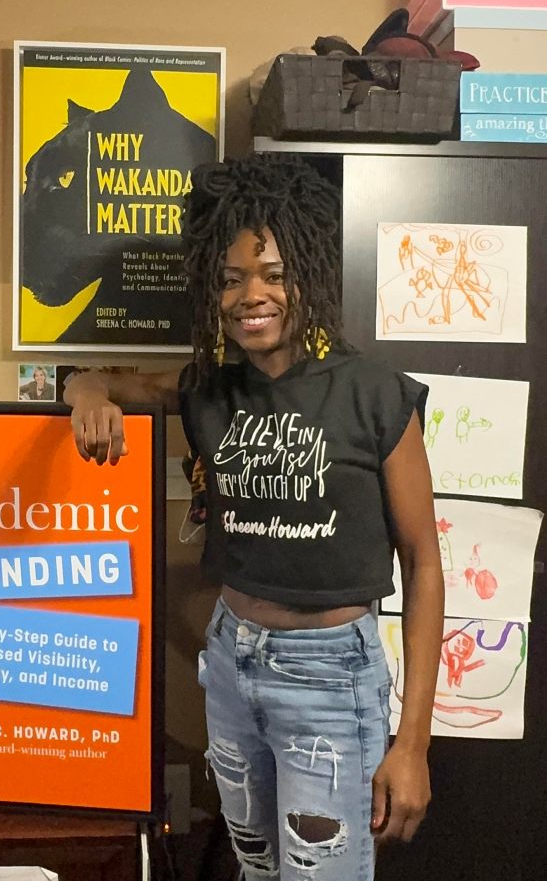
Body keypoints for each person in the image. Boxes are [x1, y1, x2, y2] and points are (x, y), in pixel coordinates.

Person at [64, 154, 444, 881]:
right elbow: (99, 378)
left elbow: (424, 562)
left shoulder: (373, 394)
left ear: (307, 276)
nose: (251, 295)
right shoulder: (209, 388)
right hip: (231, 662)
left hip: (330, 679)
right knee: (258, 867)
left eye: (272, 273)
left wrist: (413, 743)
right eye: (230, 278)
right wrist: (85, 394)